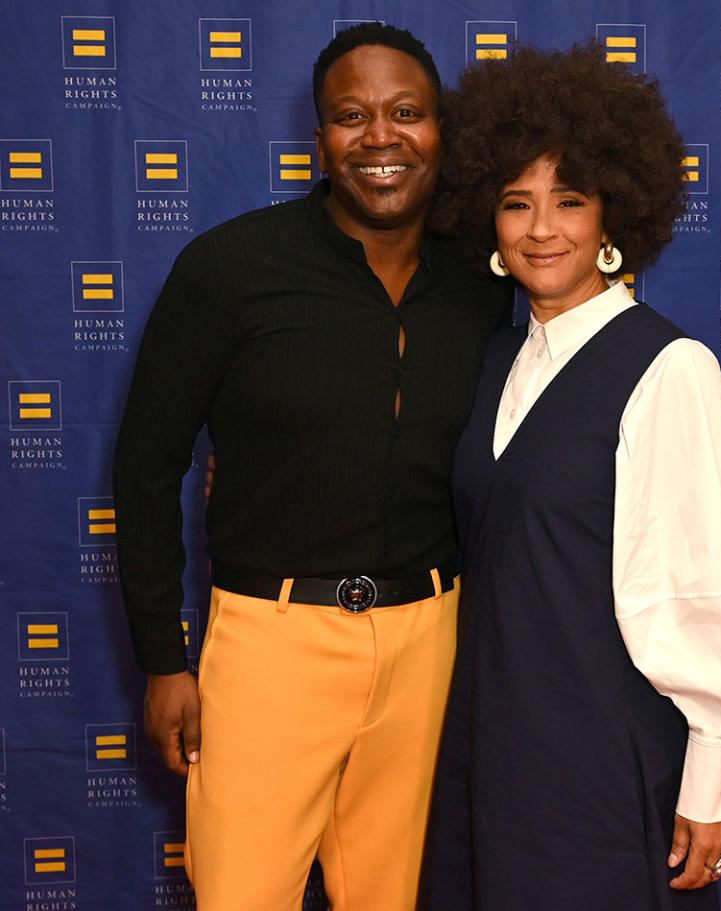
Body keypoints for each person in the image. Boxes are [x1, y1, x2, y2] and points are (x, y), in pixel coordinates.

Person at [114, 23, 508, 911]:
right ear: (320, 140)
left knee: (394, 897)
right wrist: (162, 659)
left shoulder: (485, 285)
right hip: (270, 643)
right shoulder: (230, 269)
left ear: (441, 129)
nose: (381, 137)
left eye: (406, 112)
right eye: (351, 116)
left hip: (428, 644)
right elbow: (145, 466)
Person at [417, 45, 721, 909]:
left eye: (569, 201)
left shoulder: (670, 369)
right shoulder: (499, 357)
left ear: (614, 217)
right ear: (487, 224)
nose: (542, 229)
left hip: (601, 760)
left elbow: (717, 590)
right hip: (487, 746)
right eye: (516, 204)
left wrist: (714, 781)